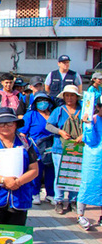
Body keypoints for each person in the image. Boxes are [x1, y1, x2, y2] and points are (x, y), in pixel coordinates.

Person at [0, 107, 39, 226]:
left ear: (15, 124)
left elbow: (34, 169)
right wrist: (4, 180)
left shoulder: (26, 143)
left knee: (14, 237)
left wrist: (18, 182)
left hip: (19, 197)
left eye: (9, 123)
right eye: (1, 123)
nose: (6, 126)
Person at [46, 85, 82, 214]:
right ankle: (59, 200)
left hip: (78, 148)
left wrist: (83, 135)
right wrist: (60, 132)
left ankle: (73, 200)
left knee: (75, 175)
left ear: (77, 97)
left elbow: (90, 124)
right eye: (67, 95)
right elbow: (49, 125)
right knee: (60, 174)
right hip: (60, 147)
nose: (69, 98)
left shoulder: (83, 109)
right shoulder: (59, 111)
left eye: (72, 95)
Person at [19, 92, 55, 205]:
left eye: (45, 100)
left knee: (51, 172)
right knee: (36, 172)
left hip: (51, 147)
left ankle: (51, 194)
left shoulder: (54, 114)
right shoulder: (31, 115)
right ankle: (35, 194)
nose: (42, 103)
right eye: (39, 101)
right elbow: (22, 133)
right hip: (35, 147)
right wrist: (26, 148)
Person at [78, 102, 102, 230]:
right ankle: (80, 215)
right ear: (98, 107)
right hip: (93, 158)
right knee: (87, 184)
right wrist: (87, 124)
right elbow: (90, 139)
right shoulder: (91, 119)